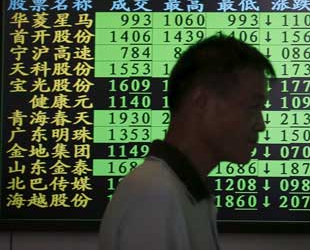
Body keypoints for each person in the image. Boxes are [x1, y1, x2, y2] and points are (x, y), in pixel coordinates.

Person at [99, 34, 274, 250]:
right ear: (202, 103)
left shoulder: (185, 191)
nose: (261, 125)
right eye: (253, 107)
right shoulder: (155, 193)